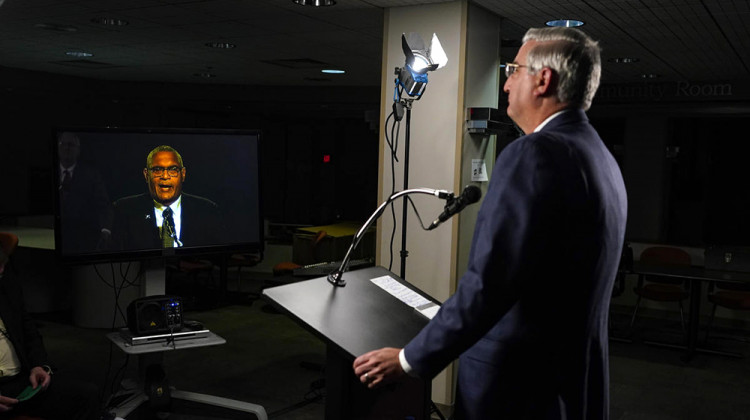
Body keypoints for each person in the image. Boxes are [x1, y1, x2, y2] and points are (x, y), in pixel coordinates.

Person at [353, 27, 627, 419]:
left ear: (543, 80)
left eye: (513, 69)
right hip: (573, 387)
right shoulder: (602, 159)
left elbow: (490, 284)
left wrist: (409, 359)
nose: (506, 83)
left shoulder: (531, 154)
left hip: (517, 389)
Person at [0, 248, 101, 419]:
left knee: (87, 396)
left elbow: (28, 330)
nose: (1, 270)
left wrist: (38, 366)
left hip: (21, 380)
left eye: (2, 265)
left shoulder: (6, 283)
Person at [111, 145, 222, 251]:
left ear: (183, 174)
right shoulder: (124, 210)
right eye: (157, 170)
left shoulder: (207, 210)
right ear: (146, 175)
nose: (165, 176)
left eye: (173, 170)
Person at [58, 132, 113, 254]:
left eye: (71, 145)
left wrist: (105, 230)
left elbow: (103, 205)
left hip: (84, 239)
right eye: (64, 144)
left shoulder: (91, 176)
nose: (67, 148)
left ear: (78, 150)